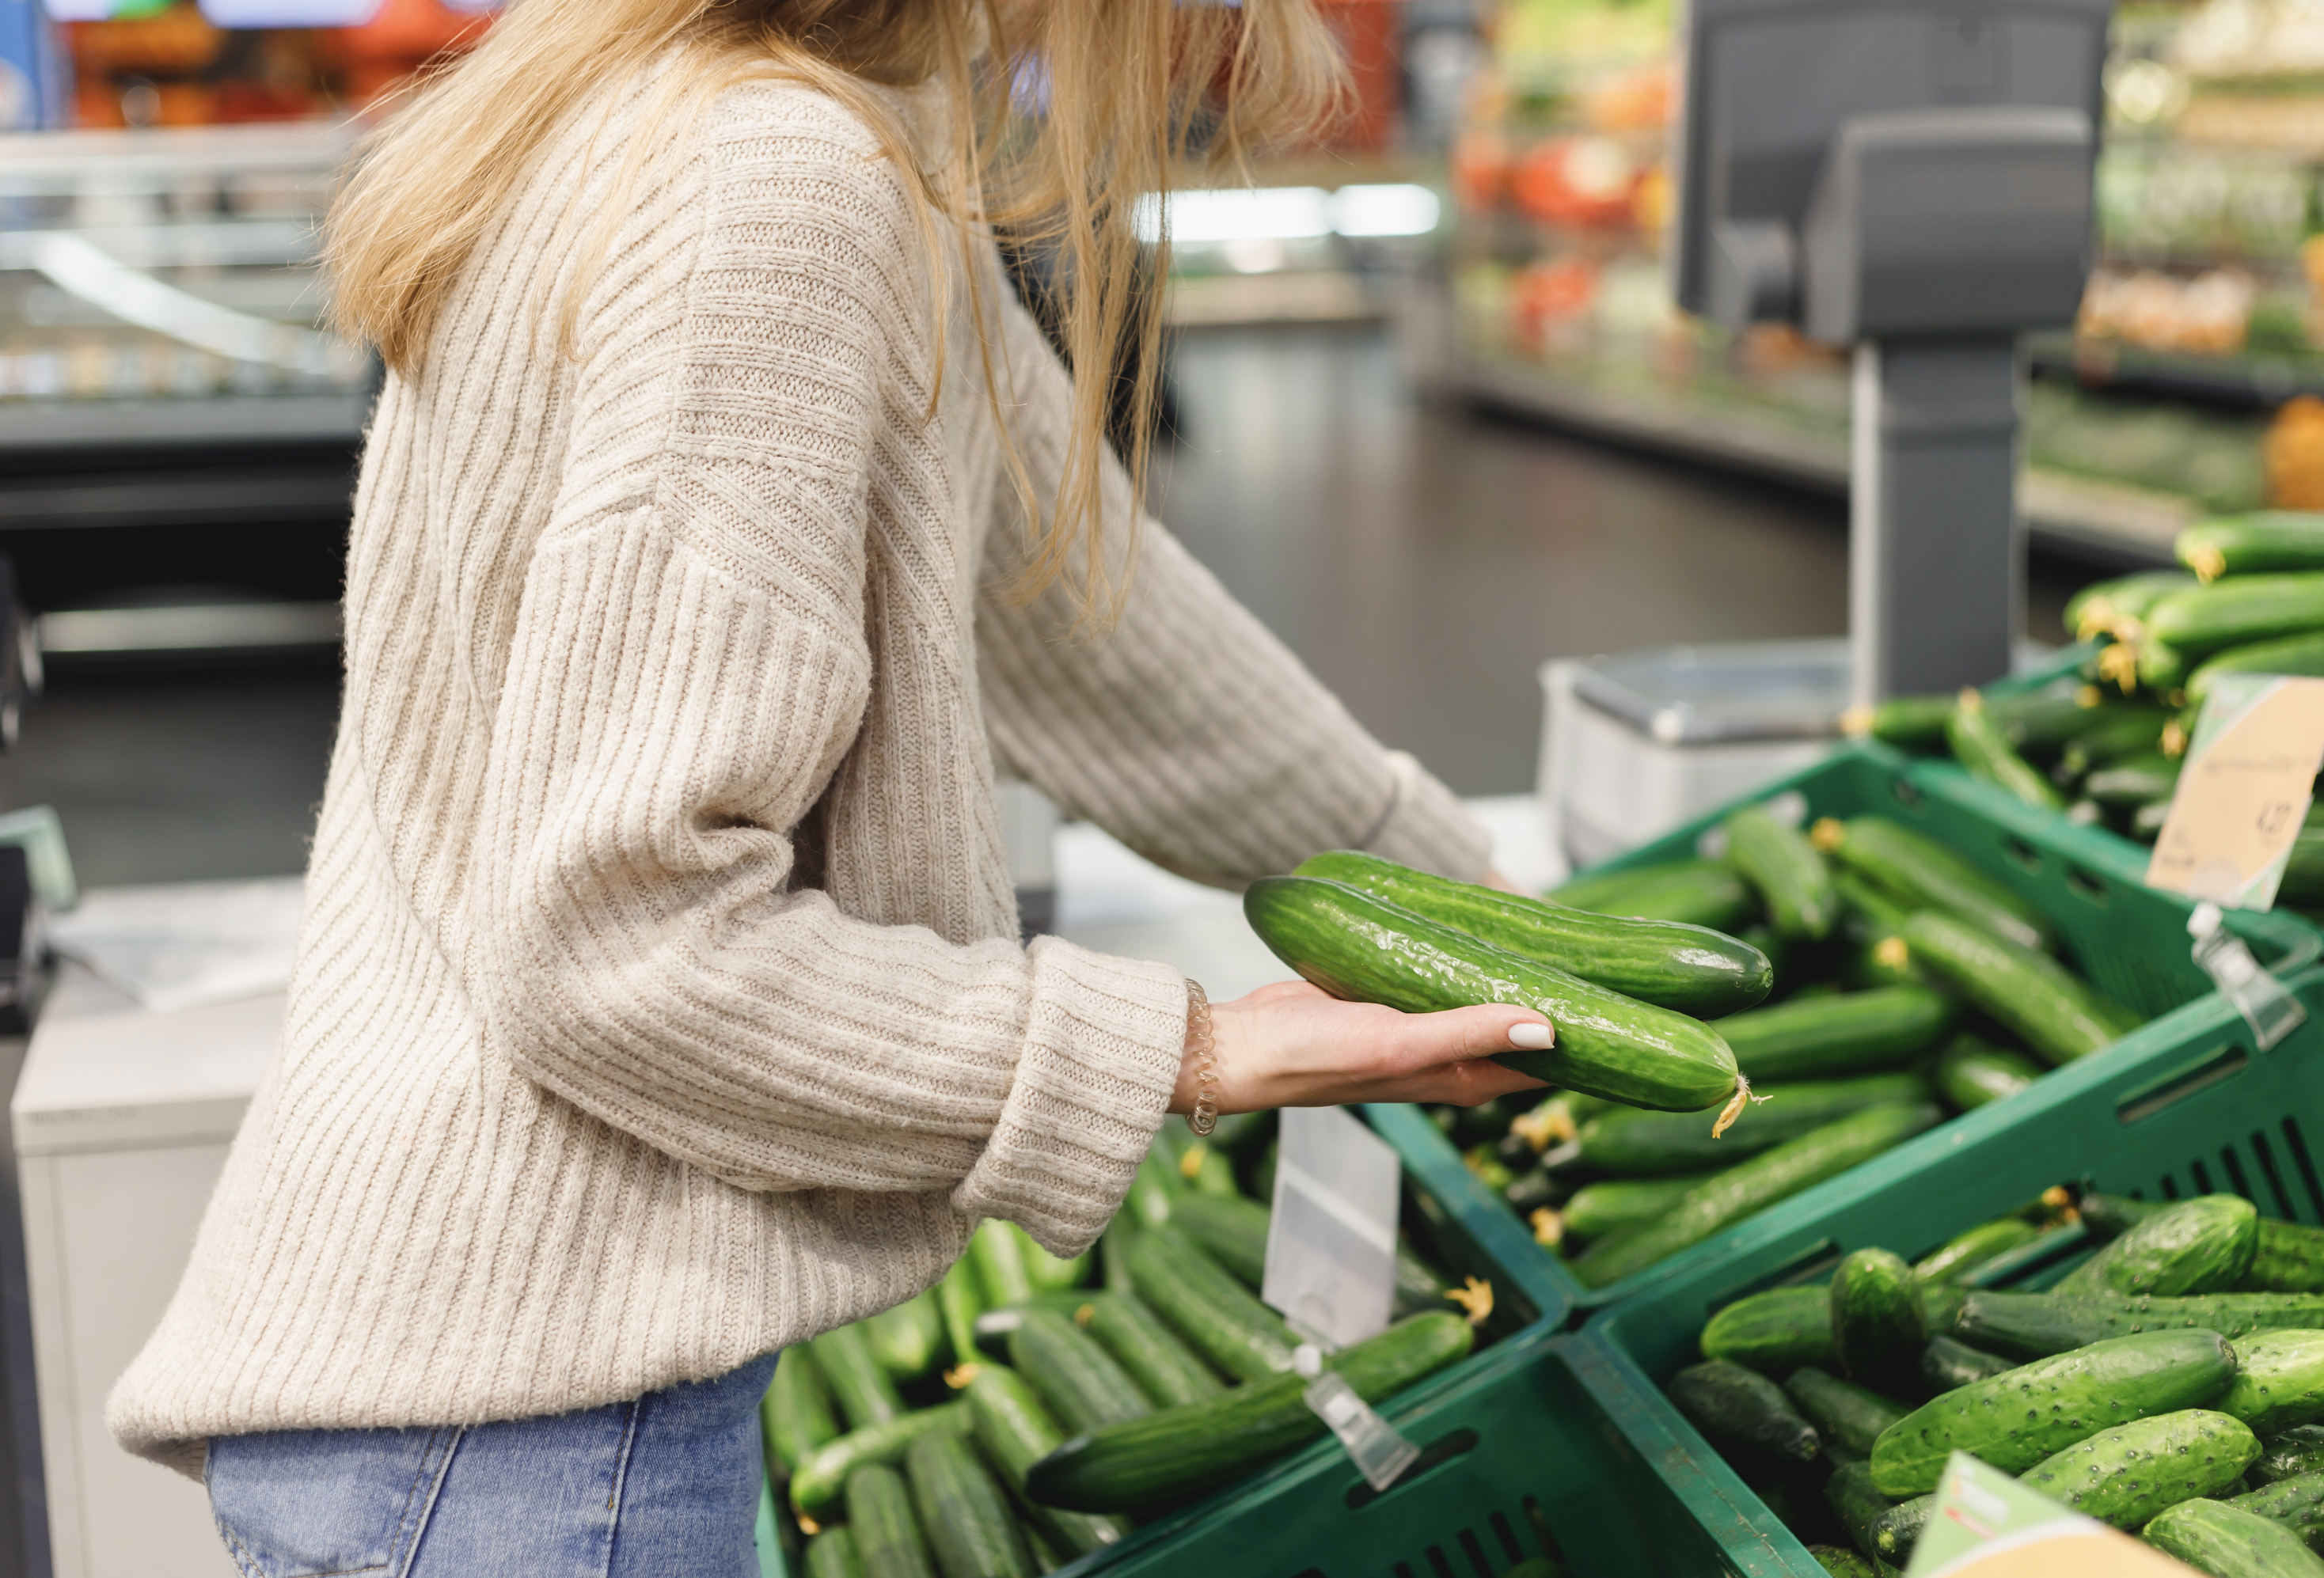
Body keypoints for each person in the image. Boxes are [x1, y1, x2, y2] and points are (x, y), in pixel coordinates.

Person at [108, 0, 1551, 1568]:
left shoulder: (747, 102)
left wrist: (1456, 898)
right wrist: (1181, 1050)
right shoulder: (773, 175)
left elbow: (1077, 613)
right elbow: (620, 942)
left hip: (487, 1406)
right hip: (523, 1444)